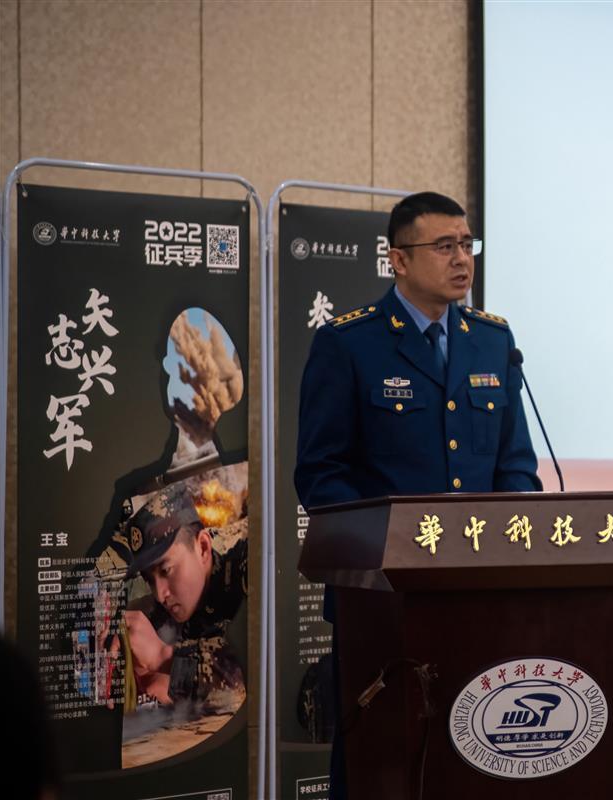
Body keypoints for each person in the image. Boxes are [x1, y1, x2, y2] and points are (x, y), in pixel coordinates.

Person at [295, 191, 542, 797]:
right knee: (377, 758)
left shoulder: (493, 341)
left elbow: (515, 466)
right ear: (398, 260)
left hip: (479, 591)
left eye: (467, 244)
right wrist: (389, 548)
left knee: (478, 751)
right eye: (443, 246)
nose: (461, 259)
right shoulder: (350, 343)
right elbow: (321, 473)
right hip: (381, 598)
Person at [109, 480, 248, 707]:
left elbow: (260, 668)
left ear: (203, 547)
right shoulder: (168, 602)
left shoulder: (247, 566)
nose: (160, 594)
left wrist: (163, 657)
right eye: (149, 580)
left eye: (166, 570)